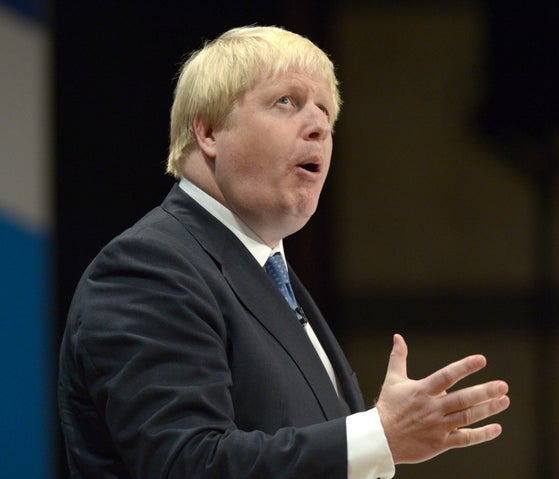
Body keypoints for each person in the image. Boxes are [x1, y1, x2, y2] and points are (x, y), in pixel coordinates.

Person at [57, 25, 510, 479]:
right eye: (286, 102)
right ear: (210, 131)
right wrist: (378, 436)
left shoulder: (274, 279)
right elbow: (187, 465)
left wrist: (377, 440)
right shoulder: (148, 269)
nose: (317, 127)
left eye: (326, 113)